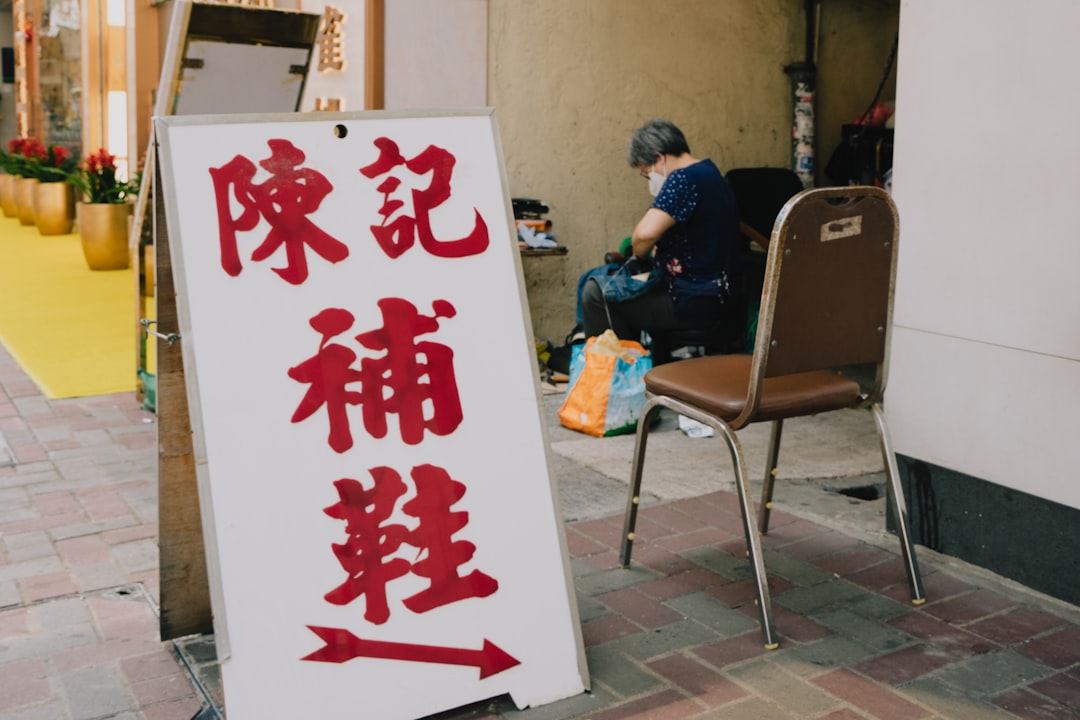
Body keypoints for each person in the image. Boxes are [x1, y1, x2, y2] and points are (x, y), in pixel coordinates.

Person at [580, 119, 744, 348]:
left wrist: (639, 256)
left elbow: (644, 235)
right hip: (719, 296)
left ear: (659, 158)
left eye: (647, 174)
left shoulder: (683, 178)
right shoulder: (710, 172)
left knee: (596, 294)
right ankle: (635, 366)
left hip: (694, 300)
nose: (650, 182)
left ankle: (615, 377)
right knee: (605, 281)